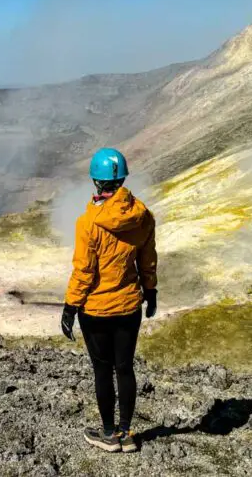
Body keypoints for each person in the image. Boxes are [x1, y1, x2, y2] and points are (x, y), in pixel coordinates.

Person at [61, 147, 158, 453]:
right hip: (130, 307)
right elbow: (148, 259)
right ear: (122, 178)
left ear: (96, 181)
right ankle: (127, 434)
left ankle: (107, 435)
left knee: (103, 371)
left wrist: (70, 306)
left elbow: (84, 271)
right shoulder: (142, 216)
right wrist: (151, 291)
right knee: (125, 368)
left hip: (97, 310)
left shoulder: (88, 223)